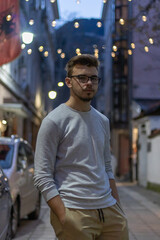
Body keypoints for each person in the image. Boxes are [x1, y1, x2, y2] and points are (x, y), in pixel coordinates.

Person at [34, 54, 129, 240]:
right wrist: (64, 216)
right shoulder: (54, 121)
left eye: (93, 78)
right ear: (69, 82)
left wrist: (118, 207)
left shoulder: (102, 121)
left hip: (110, 212)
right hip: (74, 211)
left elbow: (107, 167)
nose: (89, 83)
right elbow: (42, 175)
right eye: (82, 78)